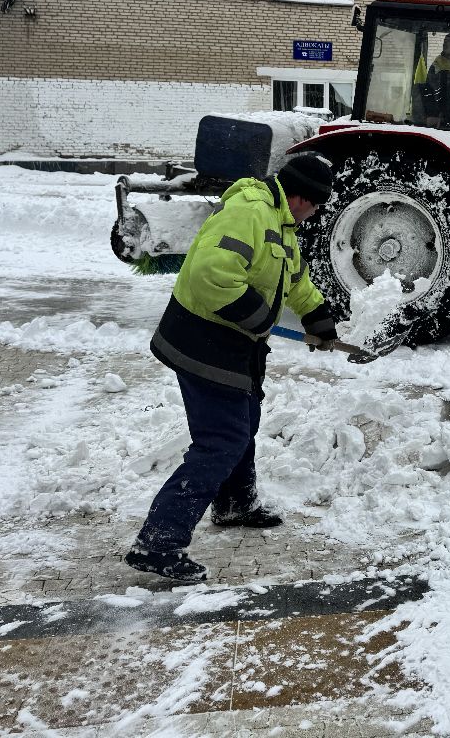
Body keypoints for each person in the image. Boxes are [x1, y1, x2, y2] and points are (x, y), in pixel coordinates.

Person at [125, 153, 339, 584]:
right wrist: (259, 318)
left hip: (236, 345)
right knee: (222, 440)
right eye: (316, 204)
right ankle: (159, 542)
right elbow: (210, 274)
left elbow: (294, 277)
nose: (315, 212)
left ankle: (235, 503)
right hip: (205, 341)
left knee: (246, 419)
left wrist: (317, 315)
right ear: (300, 197)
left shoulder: (281, 223)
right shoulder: (250, 213)